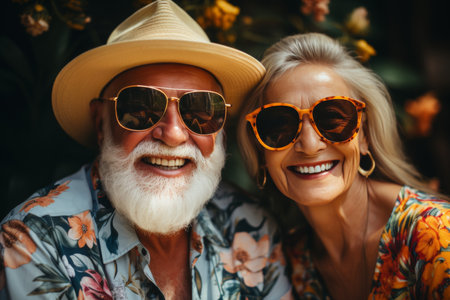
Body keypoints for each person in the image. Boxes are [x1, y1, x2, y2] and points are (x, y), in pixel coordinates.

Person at [0, 1, 293, 299]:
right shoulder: (35, 240)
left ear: (219, 129)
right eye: (140, 108)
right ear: (100, 124)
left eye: (201, 110)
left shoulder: (250, 224)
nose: (174, 134)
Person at [237, 32, 450, 299]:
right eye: (279, 125)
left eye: (333, 118)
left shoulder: (436, 236)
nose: (310, 145)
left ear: (365, 136)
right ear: (260, 151)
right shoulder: (290, 261)